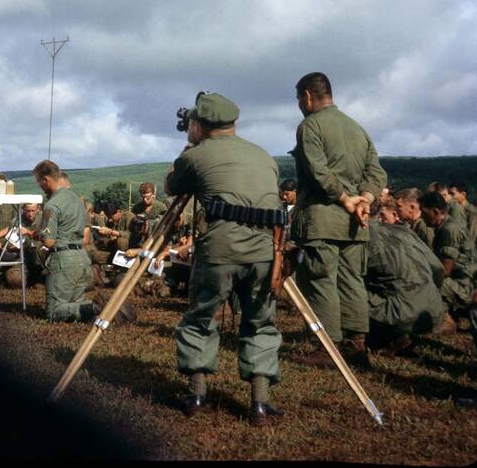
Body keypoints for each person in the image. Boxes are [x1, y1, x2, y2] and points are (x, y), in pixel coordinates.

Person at [164, 91, 283, 426]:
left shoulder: (197, 155)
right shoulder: (264, 156)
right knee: (260, 321)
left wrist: (188, 149)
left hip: (220, 249)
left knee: (201, 316)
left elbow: (172, 186)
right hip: (265, 251)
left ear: (199, 125)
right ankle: (260, 403)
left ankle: (198, 394)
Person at [290, 72, 387, 369]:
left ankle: (327, 348)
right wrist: (366, 200)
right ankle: (357, 345)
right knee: (353, 281)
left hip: (323, 219)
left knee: (320, 280)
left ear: (307, 96)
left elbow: (319, 172)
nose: (299, 105)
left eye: (298, 99)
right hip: (356, 223)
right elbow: (377, 174)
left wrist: (346, 199)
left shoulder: (310, 126)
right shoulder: (358, 129)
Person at [32, 160, 135, 323]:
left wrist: (38, 235)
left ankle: (97, 307)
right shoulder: (78, 200)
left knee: (53, 312)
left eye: (39, 182)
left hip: (63, 260)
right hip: (81, 257)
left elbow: (49, 241)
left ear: (46, 179)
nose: (40, 187)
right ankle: (105, 309)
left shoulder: (51, 205)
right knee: (75, 304)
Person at [365, 202, 449, 355]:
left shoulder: (364, 238)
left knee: (347, 289)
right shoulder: (405, 231)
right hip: (434, 313)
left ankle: (373, 338)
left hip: (402, 314)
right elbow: (438, 269)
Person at [418, 191, 477, 320]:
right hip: (462, 280)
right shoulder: (445, 227)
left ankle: (444, 318)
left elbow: (445, 270)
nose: (422, 217)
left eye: (424, 212)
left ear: (435, 212)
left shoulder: (449, 230)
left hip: (466, 285)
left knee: (428, 282)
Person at [448, 182, 477, 261]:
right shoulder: (452, 210)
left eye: (452, 194)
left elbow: (473, 237)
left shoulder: (473, 213)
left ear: (463, 194)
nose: (450, 197)